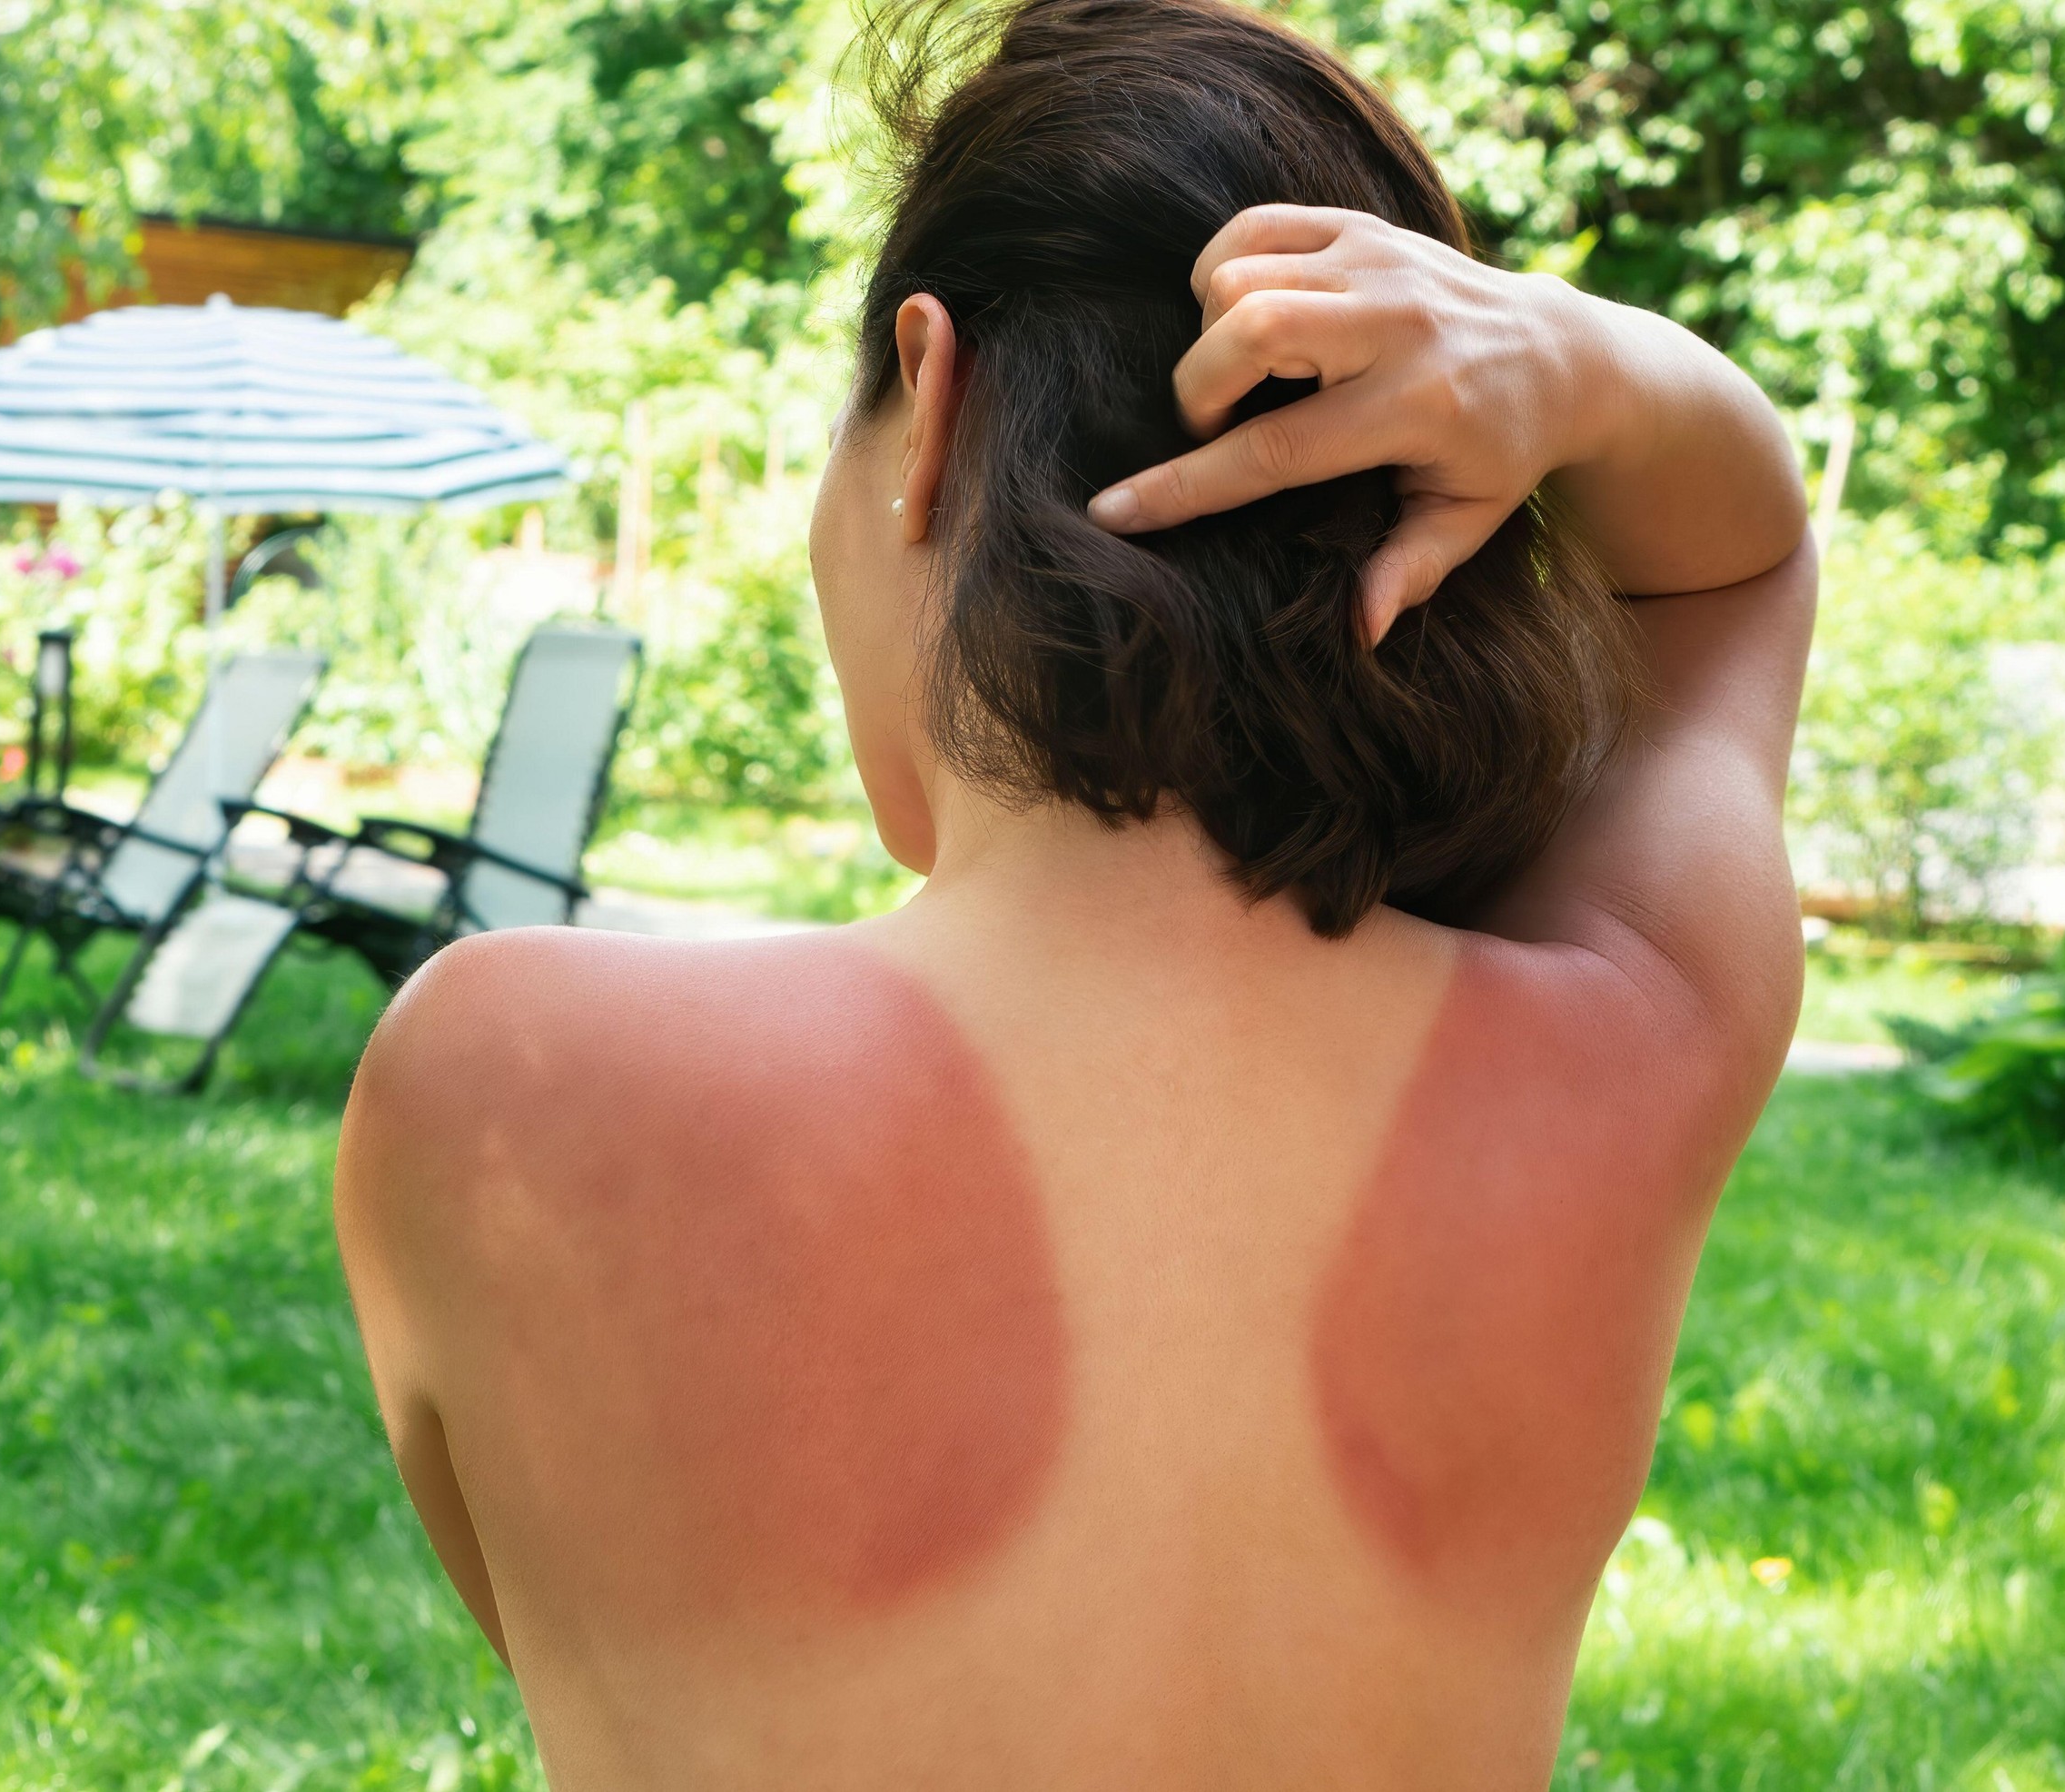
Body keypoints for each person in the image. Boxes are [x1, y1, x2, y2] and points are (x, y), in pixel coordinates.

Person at [332, 0, 1814, 1784]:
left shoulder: (504, 1082)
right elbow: (1736, 569)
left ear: (929, 396)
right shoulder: (1631, 1047)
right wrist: (1577, 360)